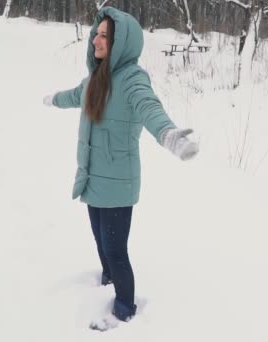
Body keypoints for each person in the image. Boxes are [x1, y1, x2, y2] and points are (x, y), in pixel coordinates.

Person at [42, 7, 198, 330]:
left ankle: (124, 308)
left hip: (118, 185)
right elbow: (75, 96)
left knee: (115, 250)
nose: (96, 40)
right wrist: (54, 98)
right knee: (101, 244)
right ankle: (108, 283)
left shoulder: (131, 80)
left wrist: (168, 134)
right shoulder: (94, 79)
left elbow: (149, 106)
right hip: (93, 180)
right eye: (96, 34)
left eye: (104, 36)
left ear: (120, 43)